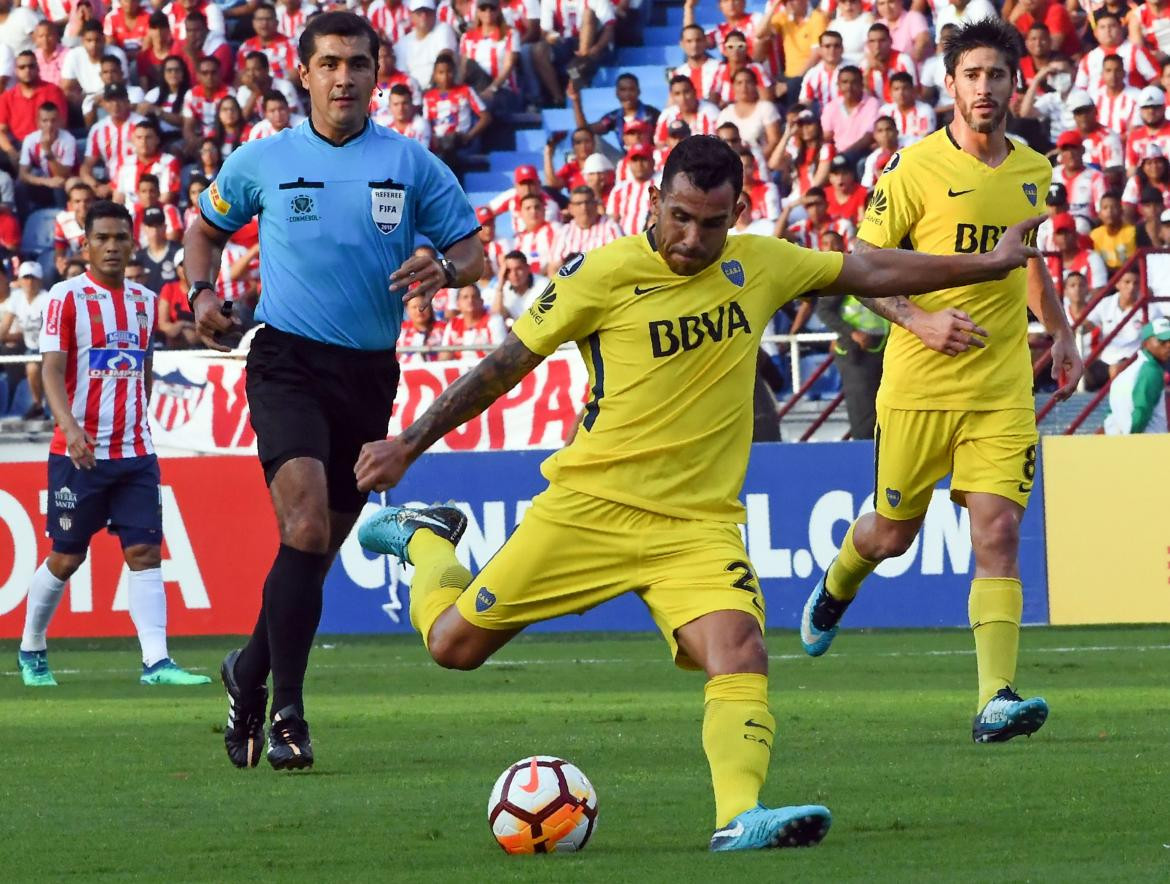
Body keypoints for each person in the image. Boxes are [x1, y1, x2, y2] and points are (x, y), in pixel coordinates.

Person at [350, 133, 1044, 852]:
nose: (692, 238)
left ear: (735, 212)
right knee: (452, 646)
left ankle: (738, 815)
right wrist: (410, 442)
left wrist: (988, 263)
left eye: (712, 223)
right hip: (589, 509)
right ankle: (426, 536)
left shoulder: (761, 263)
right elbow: (503, 367)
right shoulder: (602, 274)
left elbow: (866, 269)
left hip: (696, 526)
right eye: (680, 217)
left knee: (741, 649)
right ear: (655, 200)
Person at [183, 10, 482, 771]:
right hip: (285, 360)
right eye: (329, 64)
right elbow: (204, 229)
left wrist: (445, 270)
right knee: (308, 527)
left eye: (357, 63)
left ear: (377, 74)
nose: (343, 76)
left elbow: (473, 252)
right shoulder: (264, 159)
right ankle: (286, 712)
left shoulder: (412, 165)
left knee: (312, 554)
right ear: (305, 73)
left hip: (368, 373)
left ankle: (246, 670)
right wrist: (199, 293)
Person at [797, 19, 1083, 744]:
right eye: (972, 76)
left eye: (996, 75)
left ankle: (995, 699)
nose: (985, 88)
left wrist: (1062, 327)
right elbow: (861, 268)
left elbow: (1028, 260)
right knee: (892, 535)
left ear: (1016, 84)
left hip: (999, 386)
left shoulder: (1033, 171)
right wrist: (919, 322)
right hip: (919, 387)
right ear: (950, 84)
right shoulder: (911, 171)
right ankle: (835, 589)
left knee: (999, 529)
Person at [17, 200, 211, 689]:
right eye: (101, 238)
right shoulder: (66, 298)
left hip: (135, 454)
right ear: (85, 245)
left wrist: (137, 418)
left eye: (120, 238)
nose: (111, 246)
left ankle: (156, 662)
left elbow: (143, 367)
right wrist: (72, 427)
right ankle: (31, 647)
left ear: (131, 244)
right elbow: (53, 371)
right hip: (78, 454)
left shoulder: (144, 302)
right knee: (67, 556)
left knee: (144, 552)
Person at [0, 260, 49, 420]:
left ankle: (38, 405)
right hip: (28, 347)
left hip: (48, 347)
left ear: (40, 280)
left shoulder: (47, 299)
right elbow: (4, 328)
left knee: (33, 367)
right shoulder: (16, 299)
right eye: (26, 278)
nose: (29, 282)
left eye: (33, 278)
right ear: (19, 280)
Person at [1104, 318, 1170, 435]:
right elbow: (1140, 412)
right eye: (1162, 341)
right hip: (1149, 444)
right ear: (1145, 343)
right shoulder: (1151, 371)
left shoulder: (1133, 370)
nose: (1168, 345)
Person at [548, 185, 623, 273]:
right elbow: (554, 266)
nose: (584, 208)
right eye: (579, 204)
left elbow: (620, 259)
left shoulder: (611, 227)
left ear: (595, 205)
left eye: (588, 202)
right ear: (570, 208)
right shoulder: (564, 232)